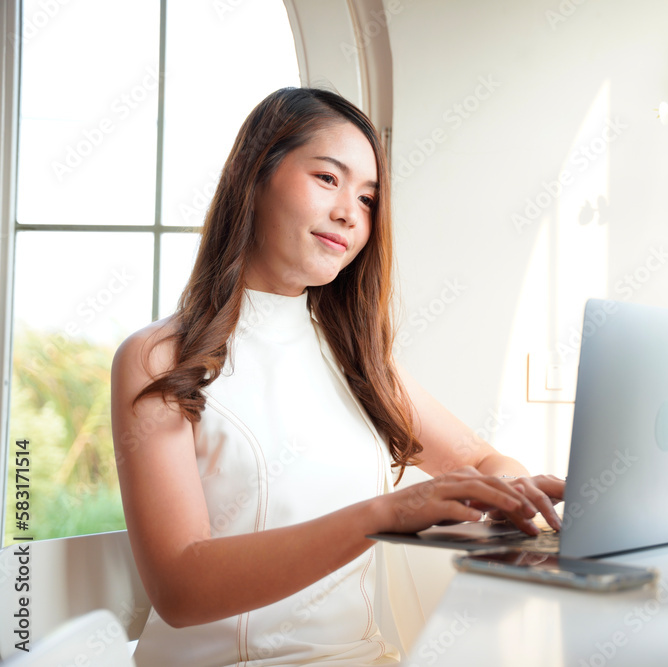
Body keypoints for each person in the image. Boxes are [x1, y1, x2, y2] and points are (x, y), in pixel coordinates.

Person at [110, 87, 565, 666]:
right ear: (254, 175)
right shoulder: (159, 358)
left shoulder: (355, 361)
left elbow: (481, 462)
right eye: (328, 178)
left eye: (369, 198)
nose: (351, 212)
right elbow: (181, 588)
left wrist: (510, 492)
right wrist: (384, 514)